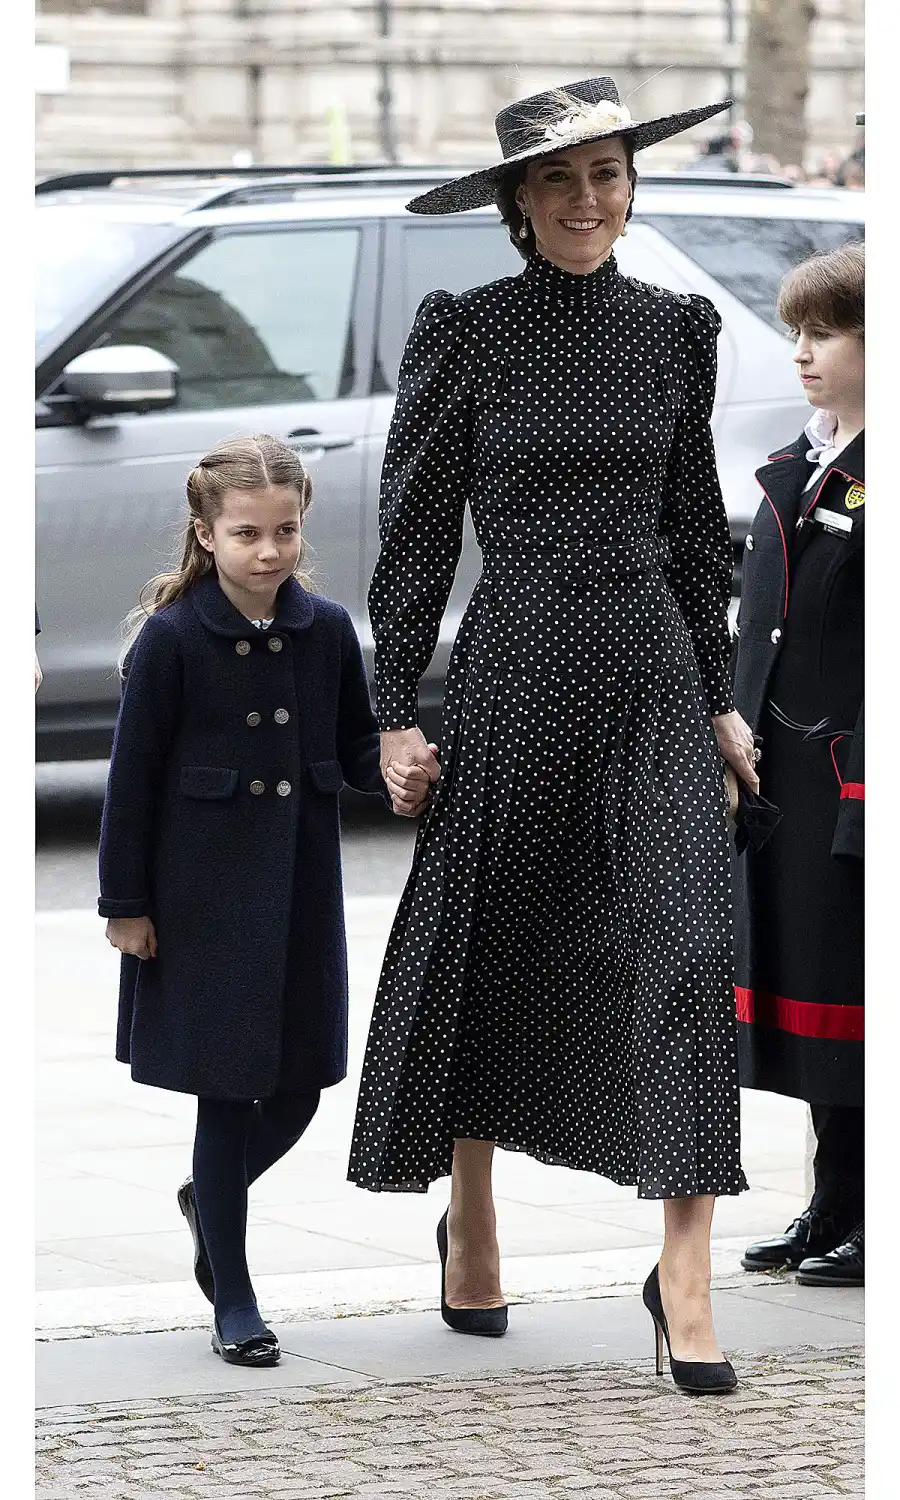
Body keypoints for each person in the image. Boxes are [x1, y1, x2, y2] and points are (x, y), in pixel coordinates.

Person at [348, 76, 760, 1396]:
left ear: (633, 188)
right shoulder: (464, 331)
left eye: (609, 174)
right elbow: (412, 531)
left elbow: (697, 529)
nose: (591, 199)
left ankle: (683, 1279)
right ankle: (470, 1216)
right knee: (497, 939)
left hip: (648, 665)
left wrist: (716, 695)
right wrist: (394, 708)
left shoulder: (678, 328)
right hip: (517, 666)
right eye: (561, 179)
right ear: (519, 204)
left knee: (691, 944)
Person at [99, 435, 428, 1369]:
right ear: (206, 533)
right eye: (247, 533)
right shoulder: (170, 638)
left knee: (303, 1085)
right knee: (225, 1095)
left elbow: (357, 745)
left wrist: (400, 773)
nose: (270, 550)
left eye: (285, 531)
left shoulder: (324, 628)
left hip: (298, 897)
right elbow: (131, 780)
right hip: (198, 901)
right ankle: (234, 1295)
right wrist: (124, 901)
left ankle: (211, 1199)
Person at [733, 244, 864, 1287]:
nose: (805, 355)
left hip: (858, 775)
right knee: (821, 993)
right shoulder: (805, 459)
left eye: (827, 332)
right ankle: (833, 1200)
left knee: (868, 997)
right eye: (797, 334)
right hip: (790, 771)